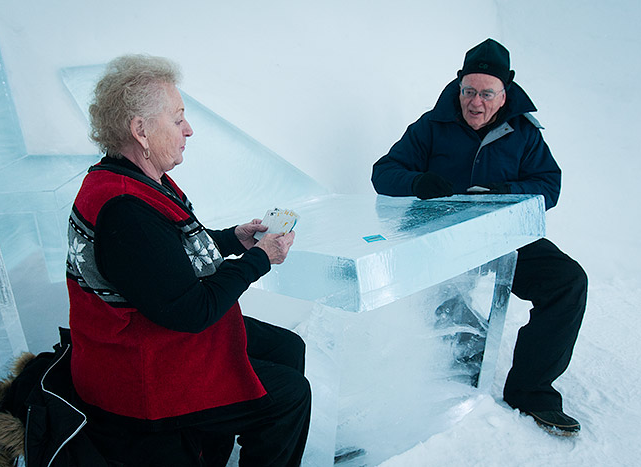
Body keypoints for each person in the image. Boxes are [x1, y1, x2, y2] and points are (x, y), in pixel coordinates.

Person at [67, 54, 311, 466]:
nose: (189, 130)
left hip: (151, 339)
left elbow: (165, 256)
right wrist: (259, 260)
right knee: (289, 396)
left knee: (287, 348)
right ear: (140, 130)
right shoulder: (126, 207)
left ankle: (213, 448)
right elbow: (191, 310)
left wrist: (233, 239)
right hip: (138, 372)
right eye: (178, 118)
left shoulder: (128, 181)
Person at [371, 39, 587, 436]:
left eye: (486, 93)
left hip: (503, 233)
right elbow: (383, 173)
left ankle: (532, 391)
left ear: (504, 95)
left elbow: (549, 186)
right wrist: (419, 181)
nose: (475, 102)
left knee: (568, 282)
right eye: (468, 91)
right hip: (441, 237)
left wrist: (502, 191)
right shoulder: (431, 125)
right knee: (439, 307)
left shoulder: (524, 132)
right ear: (459, 88)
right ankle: (462, 357)